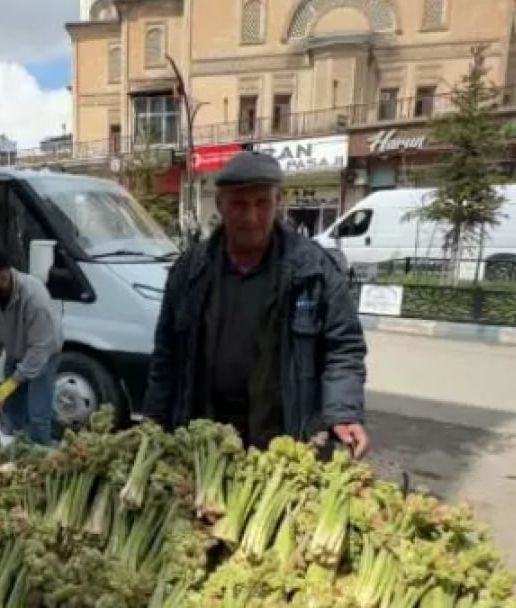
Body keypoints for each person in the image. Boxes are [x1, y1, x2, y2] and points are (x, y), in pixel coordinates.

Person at [142, 151, 369, 456]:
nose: (251, 217)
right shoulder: (190, 270)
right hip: (206, 441)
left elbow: (343, 347)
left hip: (283, 441)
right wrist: (154, 419)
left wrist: (343, 412)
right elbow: (166, 355)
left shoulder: (313, 269)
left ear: (279, 202)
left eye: (262, 203)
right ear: (220, 205)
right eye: (239, 204)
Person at [0, 246, 62, 444]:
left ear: (3, 276)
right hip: (15, 351)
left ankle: (40, 453)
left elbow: (40, 348)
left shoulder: (34, 297)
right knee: (10, 409)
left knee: (38, 413)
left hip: (45, 353)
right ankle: (12, 447)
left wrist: (12, 383)